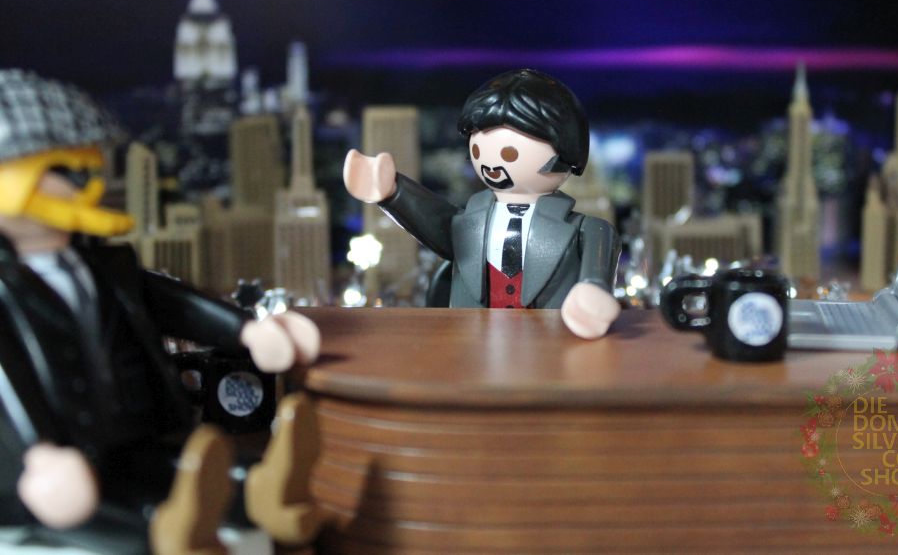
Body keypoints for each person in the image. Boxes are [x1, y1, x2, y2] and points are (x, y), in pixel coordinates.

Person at [0, 69, 320, 553]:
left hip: (134, 434)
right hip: (53, 462)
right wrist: (37, 453)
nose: (88, 186)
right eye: (64, 172)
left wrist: (245, 331)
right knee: (117, 517)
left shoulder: (106, 265)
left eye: (88, 171)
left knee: (203, 474)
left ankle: (262, 492)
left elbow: (172, 303)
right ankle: (168, 532)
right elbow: (6, 376)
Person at [344, 68, 621, 338]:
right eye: (477, 150)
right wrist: (392, 191)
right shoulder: (471, 222)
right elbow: (437, 221)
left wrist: (592, 296)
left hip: (550, 345)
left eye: (509, 154)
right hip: (474, 344)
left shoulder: (588, 229)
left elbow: (596, 278)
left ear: (565, 150)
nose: (490, 165)